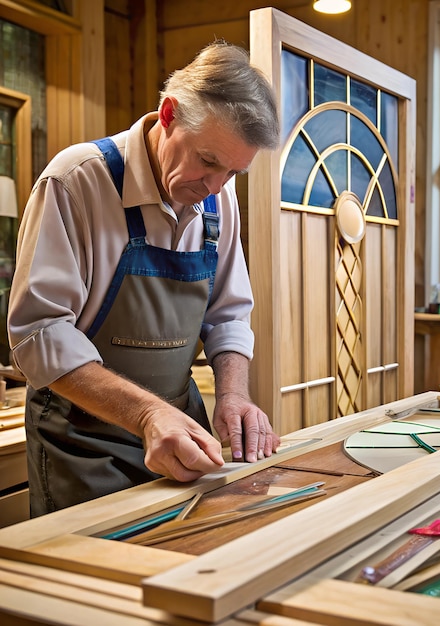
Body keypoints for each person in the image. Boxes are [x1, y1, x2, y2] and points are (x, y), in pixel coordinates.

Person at [7, 41, 281, 517]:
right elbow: (39, 334)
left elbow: (228, 315)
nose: (214, 188)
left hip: (183, 431)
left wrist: (235, 395)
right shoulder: (77, 181)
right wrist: (147, 413)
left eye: (234, 172)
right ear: (169, 114)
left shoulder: (217, 197)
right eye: (209, 161)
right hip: (83, 442)